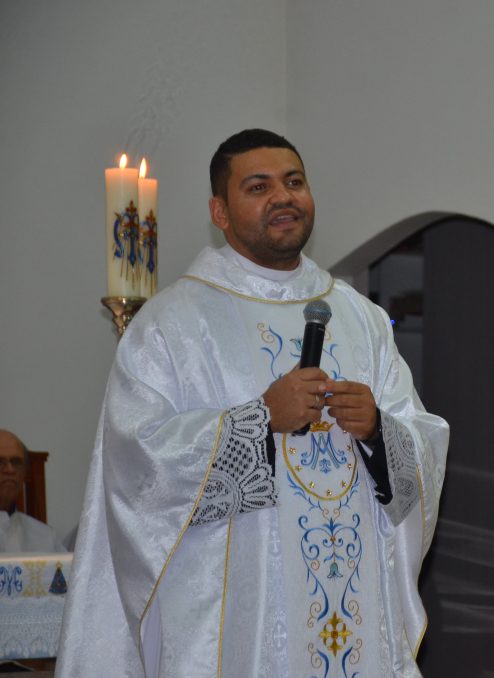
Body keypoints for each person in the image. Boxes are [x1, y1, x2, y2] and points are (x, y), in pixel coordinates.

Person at [57, 129, 449, 677]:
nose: (283, 197)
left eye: (294, 182)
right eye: (258, 186)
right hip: (243, 624)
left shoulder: (359, 316)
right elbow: (136, 470)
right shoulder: (174, 323)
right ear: (219, 211)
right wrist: (260, 422)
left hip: (357, 613)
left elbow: (423, 443)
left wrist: (381, 432)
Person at [0, 429, 64, 553]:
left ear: (25, 473)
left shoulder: (46, 537)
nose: (9, 470)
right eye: (0, 462)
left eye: (16, 462)